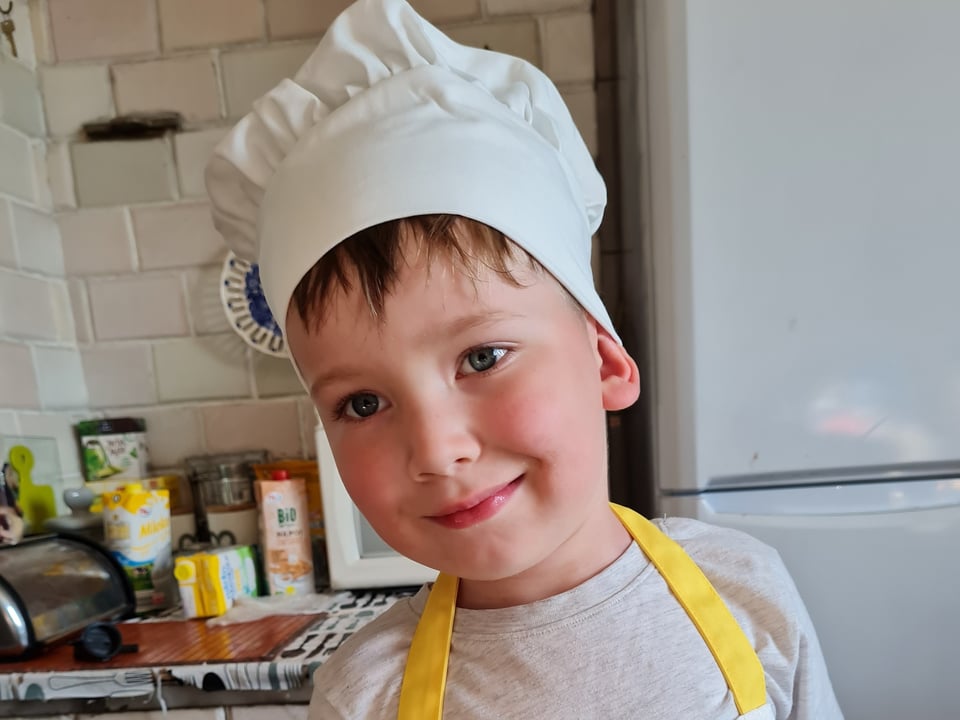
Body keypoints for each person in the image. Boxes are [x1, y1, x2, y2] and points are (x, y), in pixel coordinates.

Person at [205, 1, 843, 718]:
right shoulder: (364, 697)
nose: (437, 450)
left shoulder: (743, 590)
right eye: (362, 403)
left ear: (605, 361)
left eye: (482, 357)